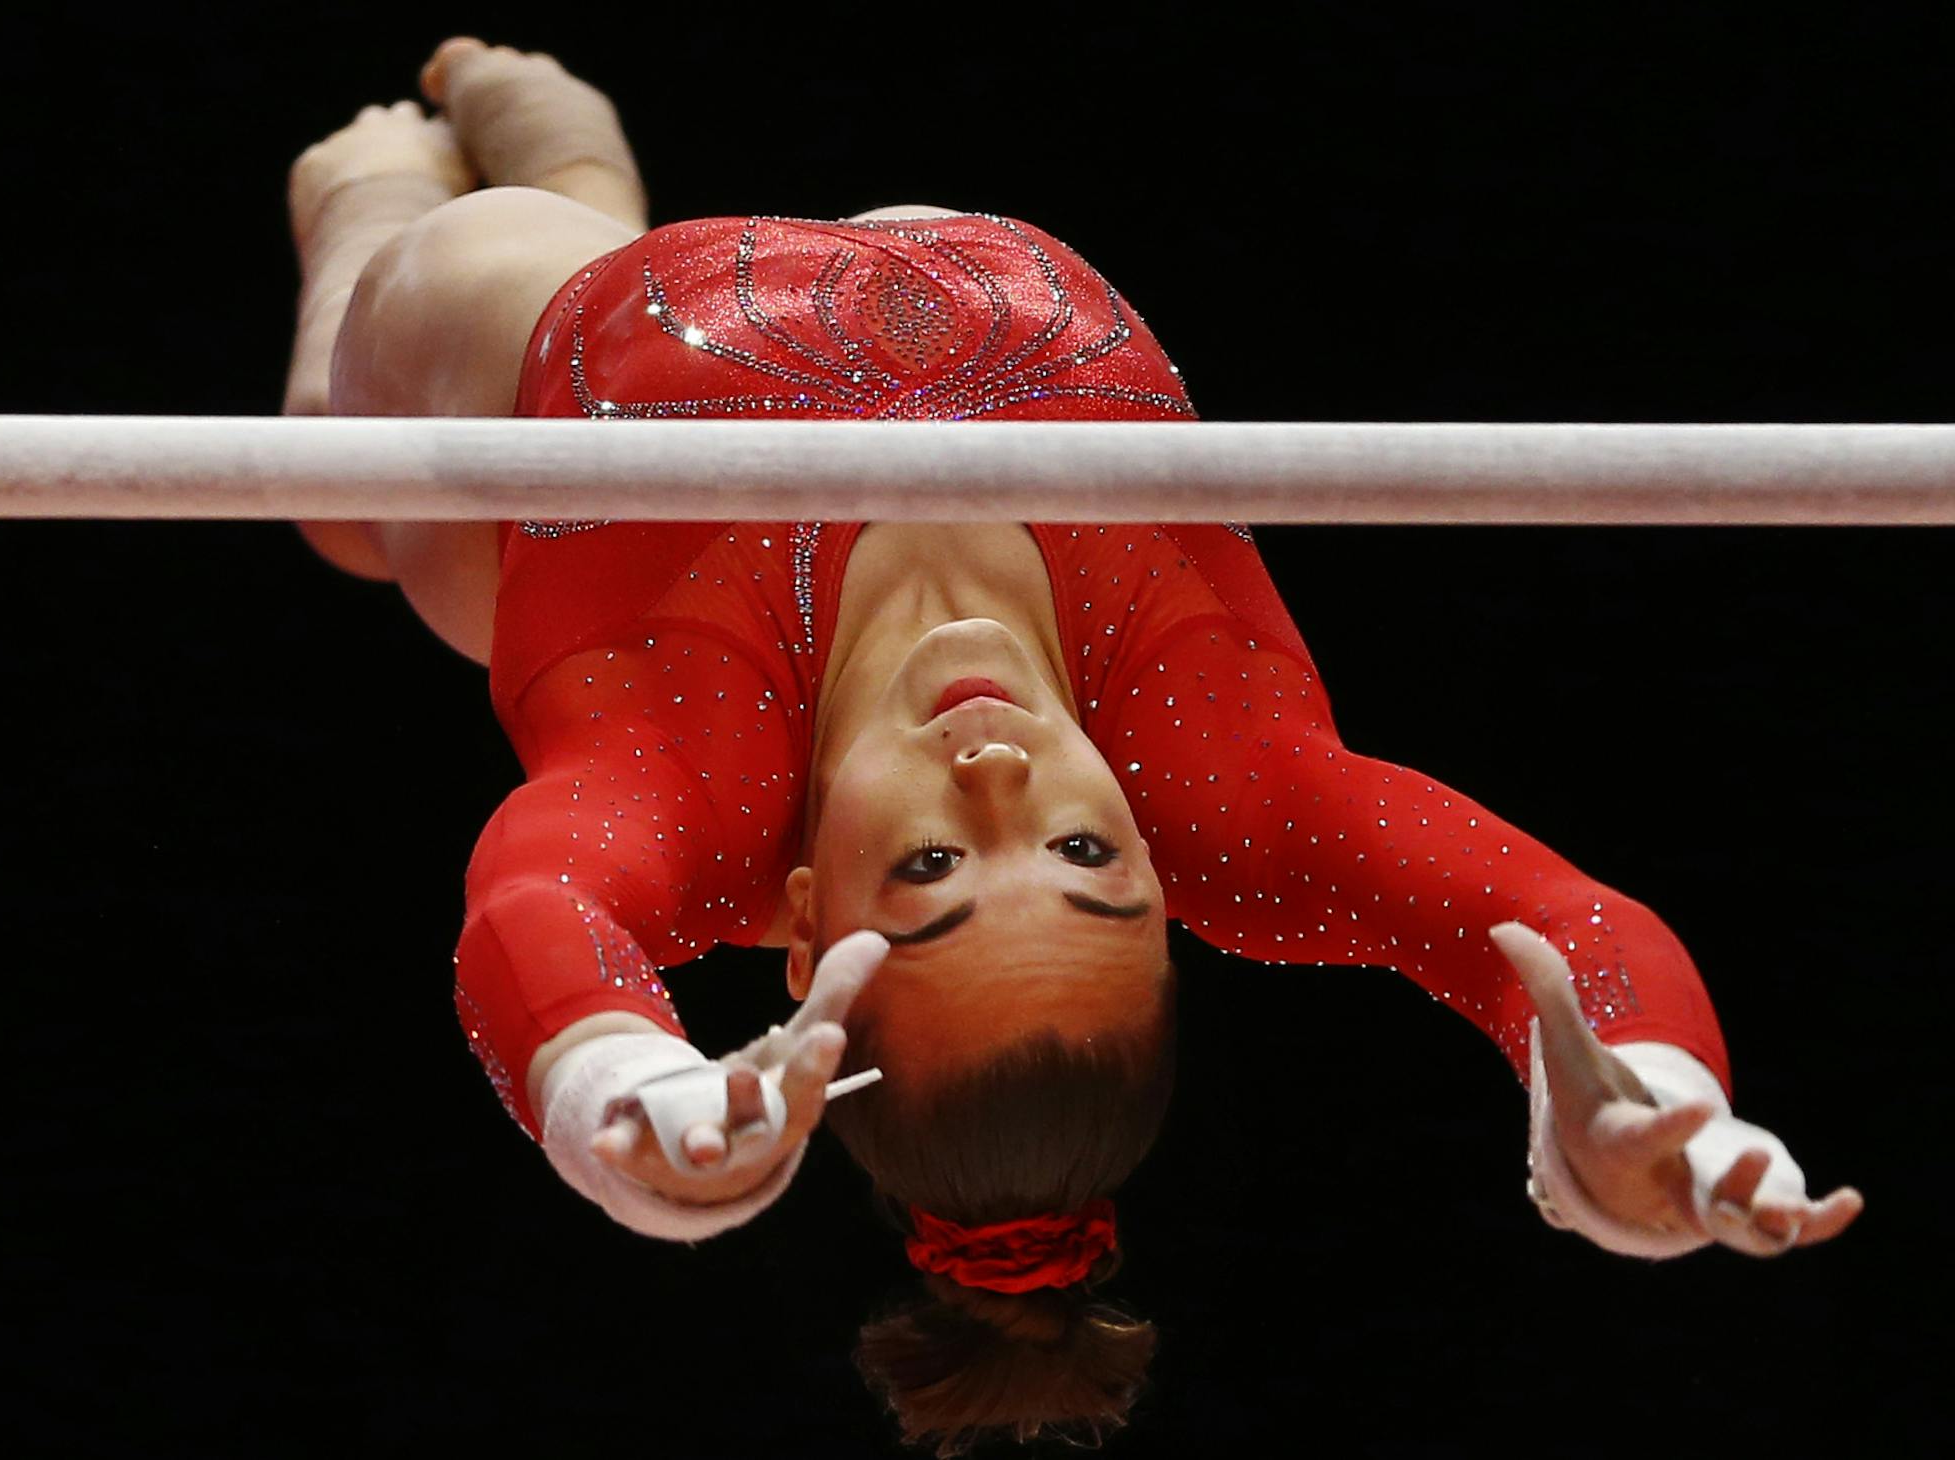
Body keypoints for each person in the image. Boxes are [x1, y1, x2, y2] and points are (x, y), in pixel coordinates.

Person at [282, 38, 1863, 1455]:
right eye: (1088, 858)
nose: (1002, 783)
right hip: (917, 269)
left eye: (931, 870)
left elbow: (536, 913)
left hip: (516, 364)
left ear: (805, 919)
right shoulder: (1232, 788)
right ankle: (571, 168)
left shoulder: (691, 782)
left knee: (409, 358)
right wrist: (1645, 1094)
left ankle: (363, 229)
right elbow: (1552, 921)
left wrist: (614, 1091)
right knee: (555, 175)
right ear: (1168, 878)